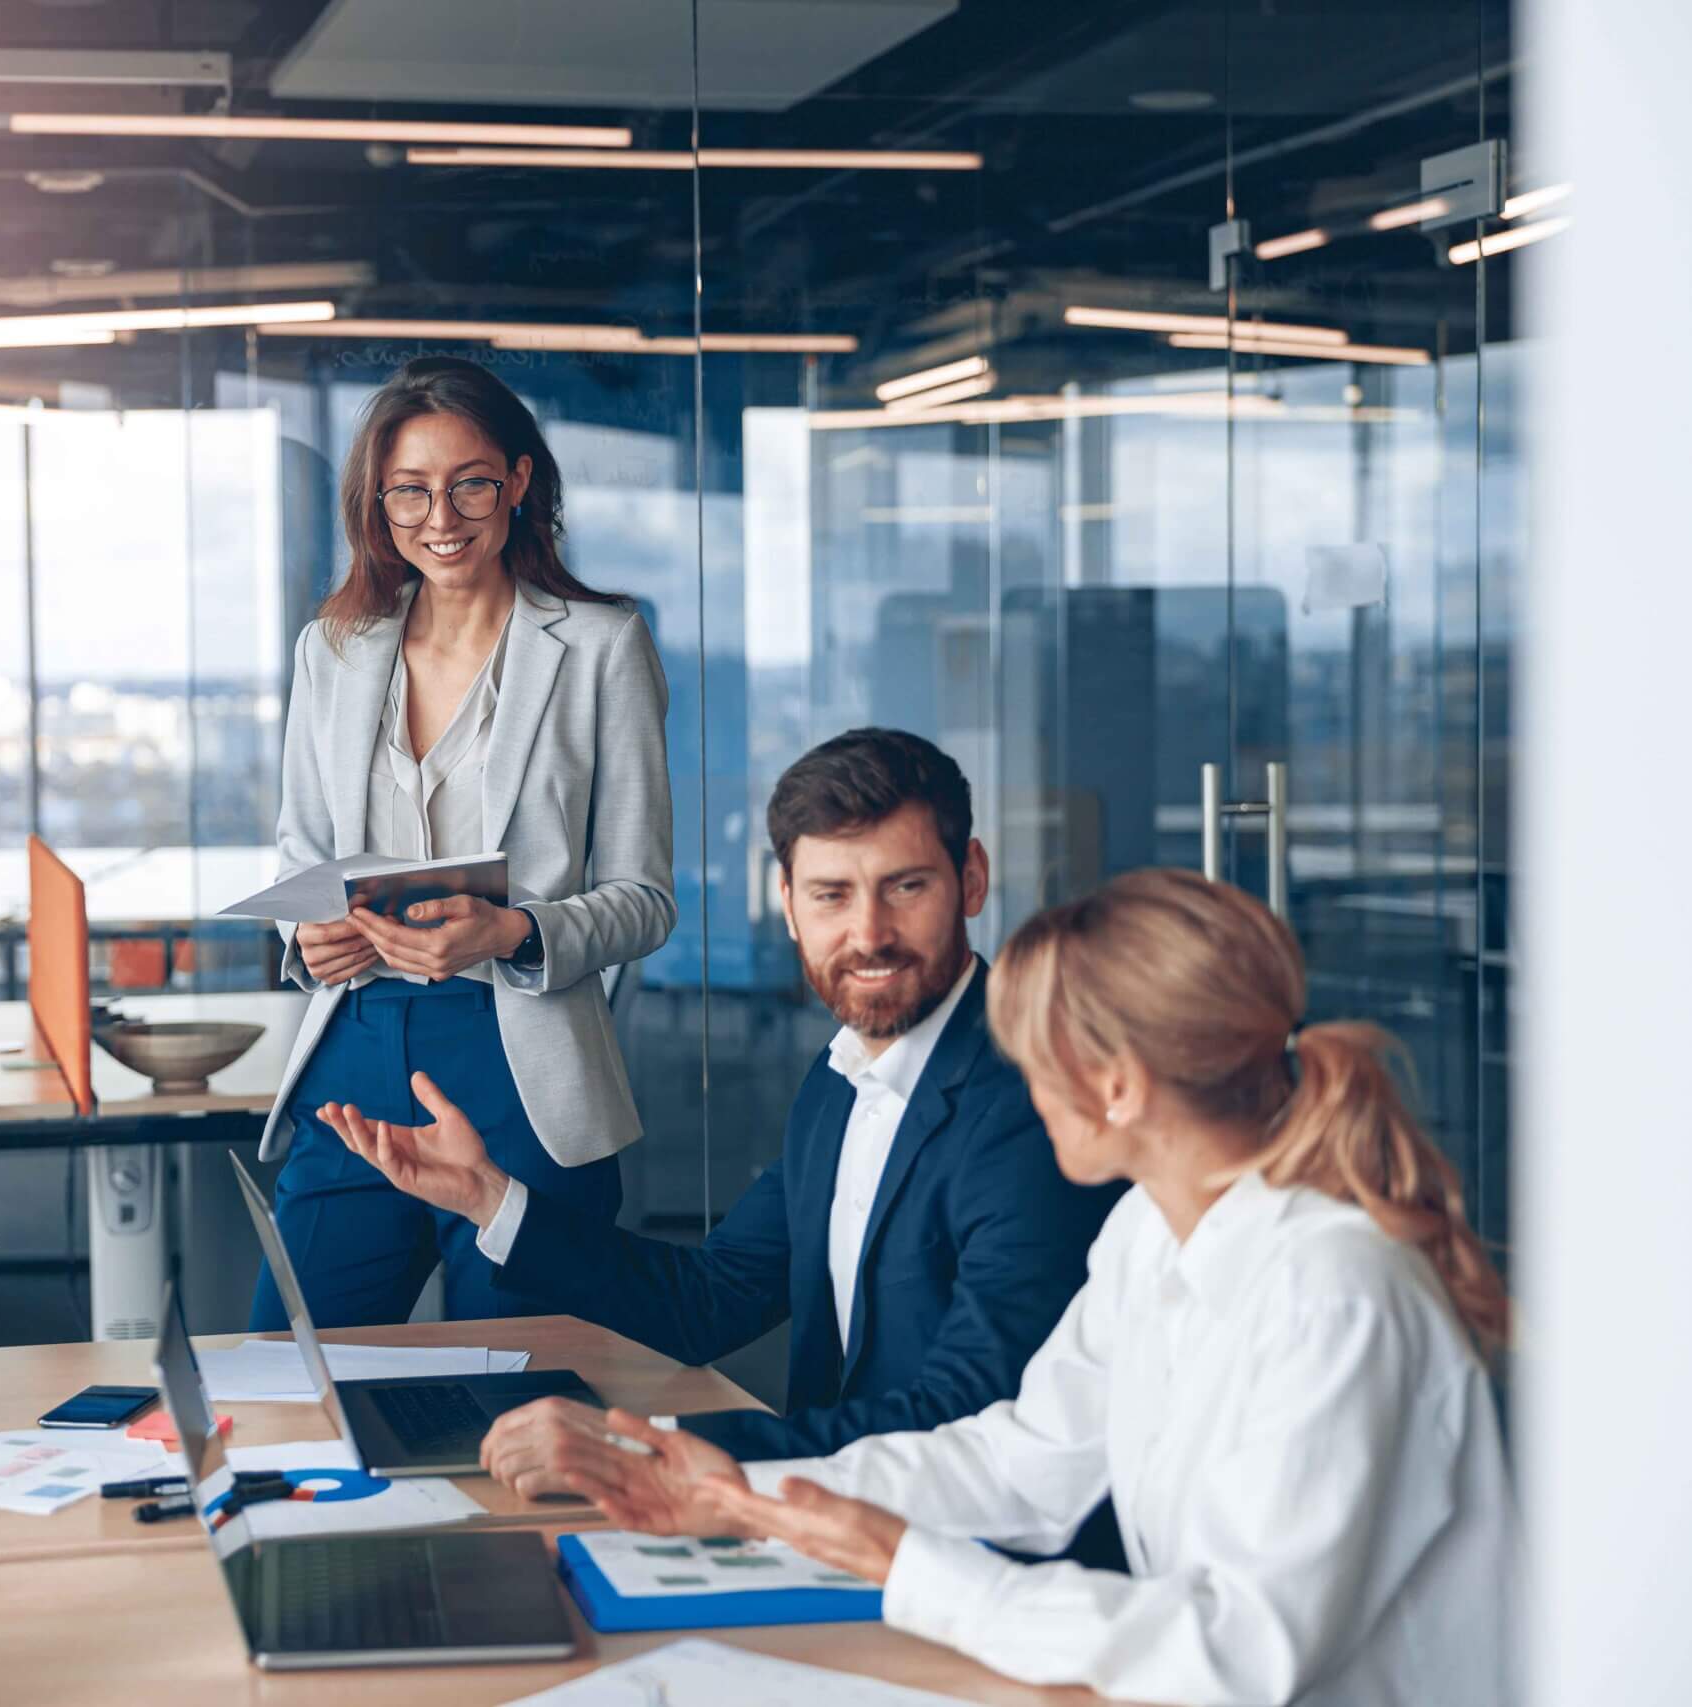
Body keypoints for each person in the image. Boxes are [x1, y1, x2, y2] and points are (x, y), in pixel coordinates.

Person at [543, 869, 1517, 1706]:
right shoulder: (1149, 1229)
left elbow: (1233, 1651)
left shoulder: (1336, 1291)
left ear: (1121, 1087)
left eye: (1031, 1056)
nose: (1016, 1084)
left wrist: (904, 1563)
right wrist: (748, 1498)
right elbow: (1022, 1463)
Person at [320, 728, 1119, 1481]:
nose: (868, 933)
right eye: (832, 895)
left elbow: (967, 1419)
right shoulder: (843, 1078)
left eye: (905, 888)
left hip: (954, 1555)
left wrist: (649, 1451)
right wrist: (486, 1197)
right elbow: (712, 1301)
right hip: (836, 1519)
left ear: (971, 879)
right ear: (789, 902)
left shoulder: (1031, 1105)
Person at [253, 356, 675, 1331]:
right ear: (379, 500)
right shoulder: (333, 648)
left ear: (519, 484)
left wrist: (508, 932)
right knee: (293, 1376)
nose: (439, 517)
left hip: (520, 1071)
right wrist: (308, 934)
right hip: (354, 1055)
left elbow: (644, 899)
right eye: (409, 490)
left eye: (468, 483)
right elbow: (299, 851)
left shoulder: (603, 646)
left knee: (518, 1395)